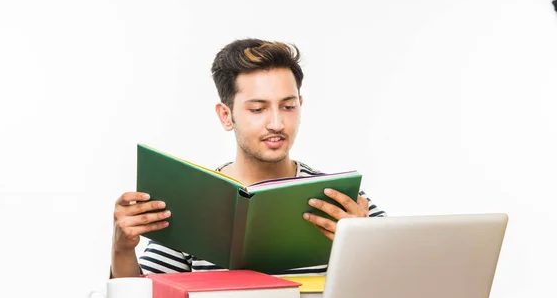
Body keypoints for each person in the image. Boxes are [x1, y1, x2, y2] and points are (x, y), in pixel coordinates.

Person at [111, 38, 386, 278]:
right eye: (258, 109)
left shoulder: (347, 204)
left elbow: (407, 290)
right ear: (225, 115)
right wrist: (122, 249)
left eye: (288, 106)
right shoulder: (191, 203)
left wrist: (365, 245)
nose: (277, 123)